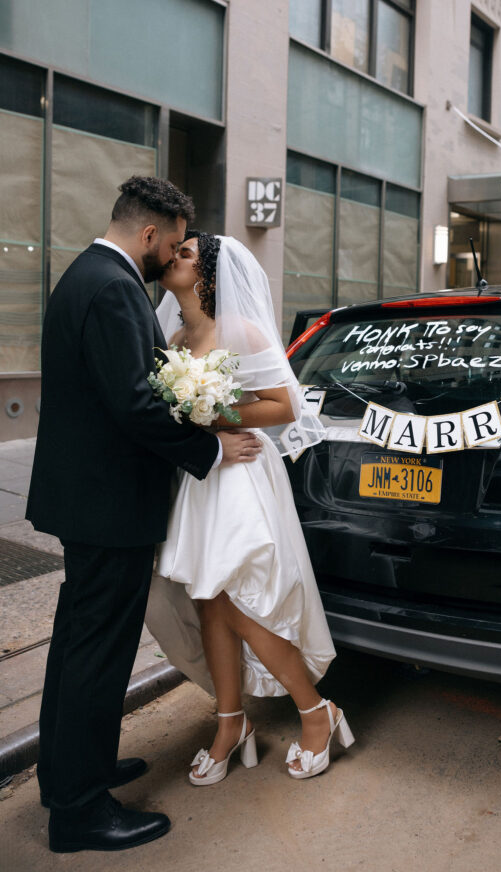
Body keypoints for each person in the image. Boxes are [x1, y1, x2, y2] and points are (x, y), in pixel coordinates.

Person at [26, 178, 262, 854]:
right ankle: (78, 811)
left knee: (79, 644)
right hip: (107, 502)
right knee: (97, 651)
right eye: (177, 243)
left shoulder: (88, 274)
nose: (179, 255)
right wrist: (208, 447)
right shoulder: (113, 287)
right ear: (150, 235)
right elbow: (133, 403)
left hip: (88, 498)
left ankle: (75, 770)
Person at [145, 232, 353, 786]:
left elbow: (285, 405)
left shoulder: (243, 330)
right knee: (209, 598)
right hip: (200, 477)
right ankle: (230, 722)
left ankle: (317, 712)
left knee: (241, 600)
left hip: (239, 473)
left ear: (209, 275)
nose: (173, 259)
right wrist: (194, 423)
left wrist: (218, 416)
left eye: (186, 255)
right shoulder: (175, 334)